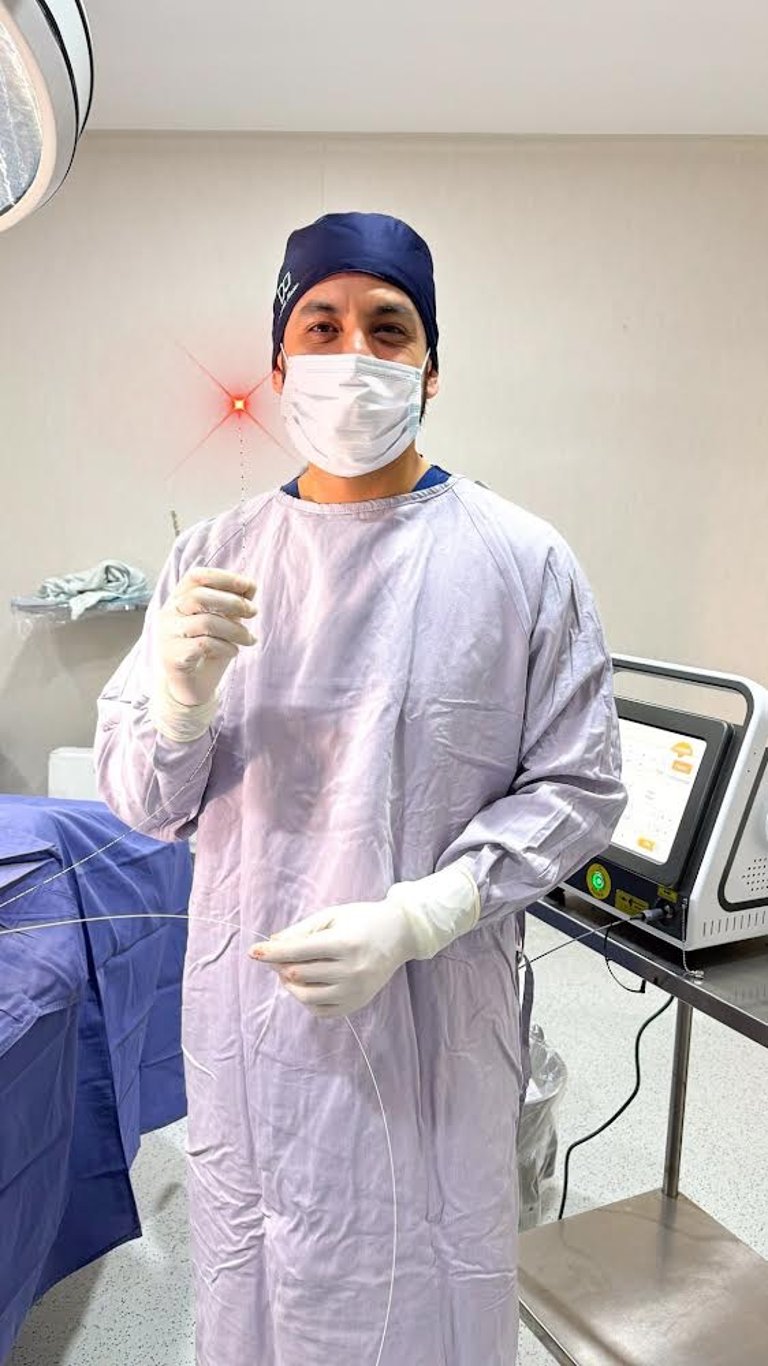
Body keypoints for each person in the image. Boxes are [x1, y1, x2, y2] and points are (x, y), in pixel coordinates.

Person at [95, 211, 627, 1366]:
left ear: (431, 365)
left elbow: (583, 783)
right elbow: (142, 798)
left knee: (427, 1287)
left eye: (389, 328)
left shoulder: (521, 559)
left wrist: (421, 912)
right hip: (253, 1033)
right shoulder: (214, 559)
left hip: (435, 1026)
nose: (354, 354)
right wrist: (179, 696)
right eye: (320, 324)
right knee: (258, 1275)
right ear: (281, 362)